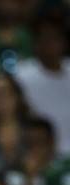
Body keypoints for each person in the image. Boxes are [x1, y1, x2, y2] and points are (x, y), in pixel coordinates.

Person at [13, 19, 70, 157]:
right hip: (40, 154)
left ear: (64, 42)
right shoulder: (22, 75)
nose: (50, 45)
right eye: (44, 39)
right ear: (36, 43)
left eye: (55, 39)